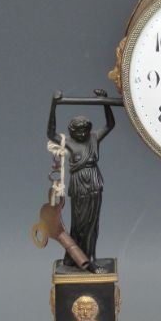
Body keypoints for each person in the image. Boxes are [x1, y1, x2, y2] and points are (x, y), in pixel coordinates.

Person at [47, 89, 115, 270]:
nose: (83, 134)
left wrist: (104, 101)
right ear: (72, 131)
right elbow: (51, 134)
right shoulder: (68, 141)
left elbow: (110, 124)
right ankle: (76, 258)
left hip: (94, 183)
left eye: (85, 130)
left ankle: (91, 256)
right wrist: (54, 105)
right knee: (79, 224)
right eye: (78, 131)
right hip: (79, 187)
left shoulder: (94, 138)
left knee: (93, 223)